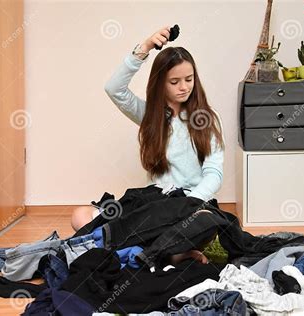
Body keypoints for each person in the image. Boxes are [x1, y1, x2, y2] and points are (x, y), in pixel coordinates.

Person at [71, 26, 225, 264]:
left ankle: (145, 250)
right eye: (174, 81)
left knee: (207, 222)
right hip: (154, 204)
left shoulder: (207, 119)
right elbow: (114, 89)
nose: (184, 87)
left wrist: (188, 204)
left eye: (189, 79)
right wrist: (144, 48)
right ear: (160, 83)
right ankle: (168, 253)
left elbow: (213, 174)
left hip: (193, 204)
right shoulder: (149, 116)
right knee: (80, 216)